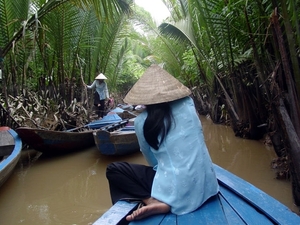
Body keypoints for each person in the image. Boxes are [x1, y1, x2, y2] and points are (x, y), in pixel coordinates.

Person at [106, 64, 219, 221]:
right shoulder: (188, 103)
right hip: (209, 186)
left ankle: (151, 201)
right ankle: (159, 199)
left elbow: (152, 161)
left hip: (177, 194)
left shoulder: (141, 121)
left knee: (114, 170)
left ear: (144, 97)